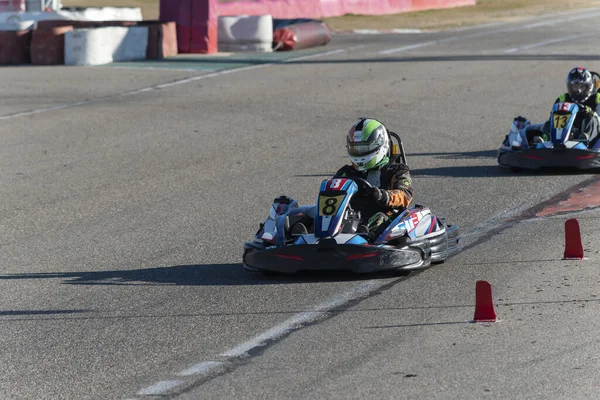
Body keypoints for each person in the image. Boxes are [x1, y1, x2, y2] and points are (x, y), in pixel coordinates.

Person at [331, 117, 414, 240]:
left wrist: (382, 195)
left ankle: (364, 240)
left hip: (383, 214)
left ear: (381, 145)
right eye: (355, 148)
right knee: (309, 214)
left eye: (363, 148)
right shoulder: (345, 172)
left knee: (379, 220)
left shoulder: (396, 170)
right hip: (349, 216)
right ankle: (304, 235)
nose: (359, 153)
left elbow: (405, 195)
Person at [526, 67, 600, 145]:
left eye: (582, 87)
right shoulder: (563, 98)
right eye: (575, 87)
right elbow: (552, 116)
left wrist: (589, 111)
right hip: (569, 129)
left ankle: (584, 140)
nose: (578, 91)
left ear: (589, 86)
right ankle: (546, 141)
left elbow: (598, 117)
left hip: (593, 133)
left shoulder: (597, 98)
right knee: (549, 123)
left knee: (591, 119)